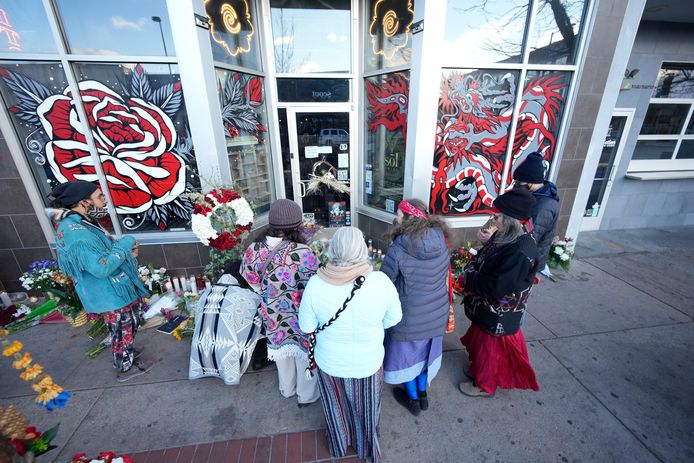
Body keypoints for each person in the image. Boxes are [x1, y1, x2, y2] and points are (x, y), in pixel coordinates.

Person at [299, 227, 401, 463]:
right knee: (367, 410)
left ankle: (339, 444)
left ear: (332, 249)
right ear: (362, 250)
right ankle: (367, 448)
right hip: (368, 362)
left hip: (330, 363)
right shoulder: (380, 282)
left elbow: (306, 327)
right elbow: (393, 319)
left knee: (336, 407)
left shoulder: (315, 284)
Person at [47, 181, 151, 382]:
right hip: (108, 292)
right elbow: (101, 267)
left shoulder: (82, 221)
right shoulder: (75, 233)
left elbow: (104, 253)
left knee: (132, 320)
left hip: (115, 287)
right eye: (99, 196)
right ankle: (124, 366)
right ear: (84, 202)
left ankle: (126, 349)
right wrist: (125, 243)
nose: (105, 200)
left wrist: (127, 254)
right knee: (121, 328)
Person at [459, 187, 541, 397]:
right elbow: (490, 256)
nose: (493, 219)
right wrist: (485, 245)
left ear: (511, 220)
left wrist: (469, 278)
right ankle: (478, 372)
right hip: (488, 309)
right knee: (482, 344)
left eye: (497, 216)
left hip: (499, 313)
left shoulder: (521, 251)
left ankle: (483, 385)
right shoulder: (509, 235)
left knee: (489, 350)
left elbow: (497, 287)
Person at [240, 199, 320, 407]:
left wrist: (268, 293)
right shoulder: (303, 252)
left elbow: (250, 280)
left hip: (272, 313)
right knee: (304, 352)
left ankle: (287, 389)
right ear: (297, 223)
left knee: (281, 352)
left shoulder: (254, 249)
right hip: (300, 313)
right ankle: (306, 394)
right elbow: (315, 284)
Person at [380, 198, 450, 416]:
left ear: (408, 218)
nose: (396, 217)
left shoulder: (398, 247)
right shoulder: (439, 238)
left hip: (409, 317)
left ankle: (412, 401)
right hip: (436, 313)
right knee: (426, 357)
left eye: (399, 214)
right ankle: (423, 395)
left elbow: (385, 281)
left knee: (408, 360)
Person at [189, 259, 263, 385]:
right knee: (261, 316)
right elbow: (261, 311)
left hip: (201, 349)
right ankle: (259, 359)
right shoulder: (245, 294)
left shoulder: (207, 292)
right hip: (227, 348)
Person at [512, 151, 560, 278]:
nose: (516, 185)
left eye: (519, 182)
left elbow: (531, 238)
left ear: (531, 182)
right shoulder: (536, 197)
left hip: (527, 262)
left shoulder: (544, 206)